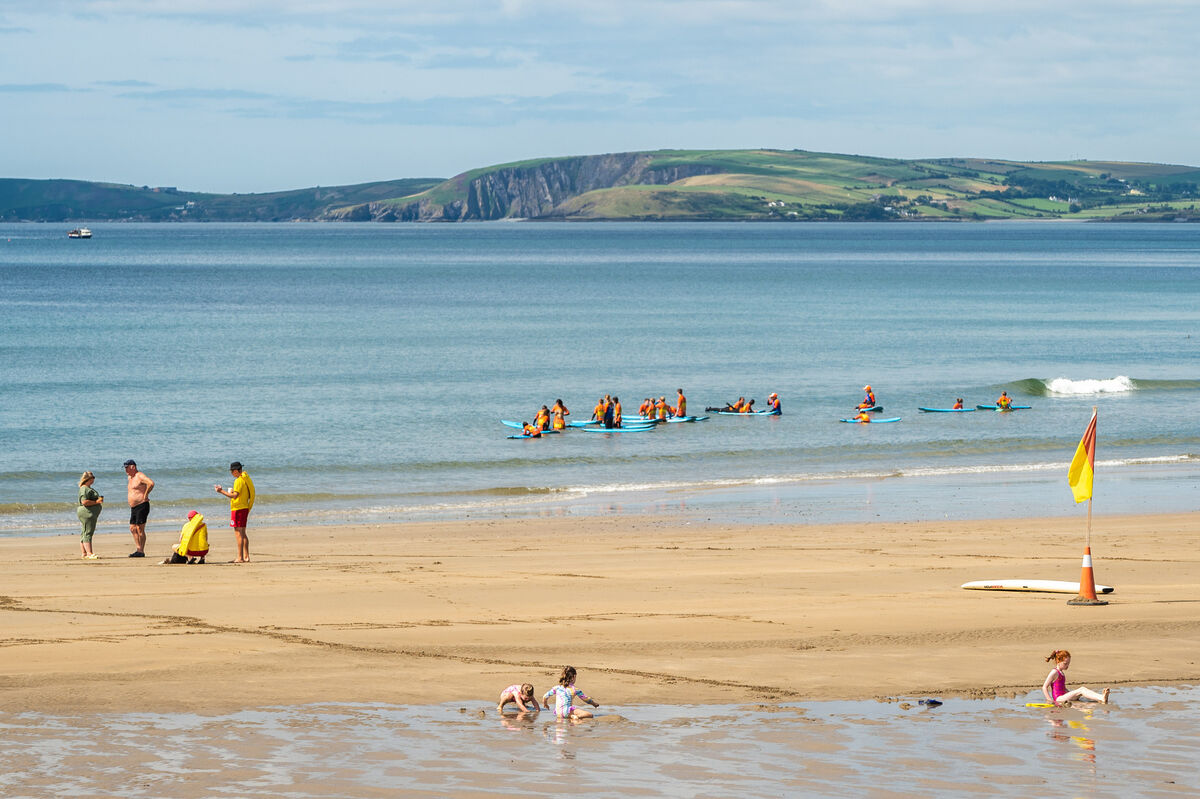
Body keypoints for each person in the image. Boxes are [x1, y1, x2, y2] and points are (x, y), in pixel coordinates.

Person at [215, 461, 255, 563]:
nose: (231, 473)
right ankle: (246, 556)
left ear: (236, 471)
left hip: (238, 509)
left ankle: (240, 557)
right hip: (244, 507)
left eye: (232, 471)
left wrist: (221, 491)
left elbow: (234, 496)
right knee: (243, 533)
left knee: (238, 533)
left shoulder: (238, 481)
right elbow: (240, 494)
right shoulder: (245, 479)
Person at [1042, 649, 1110, 706]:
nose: (1067, 666)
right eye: (1065, 663)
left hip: (1064, 696)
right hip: (1059, 698)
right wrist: (1050, 700)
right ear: (1058, 661)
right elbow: (1044, 687)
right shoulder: (1054, 672)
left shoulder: (1061, 673)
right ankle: (1101, 697)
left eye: (1068, 663)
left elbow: (1063, 688)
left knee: (1081, 694)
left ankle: (1100, 698)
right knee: (1081, 689)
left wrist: (1071, 693)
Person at [124, 459, 154, 558]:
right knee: (132, 528)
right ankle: (138, 549)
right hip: (134, 507)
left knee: (140, 528)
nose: (125, 470)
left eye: (127, 467)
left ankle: (141, 551)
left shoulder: (140, 476)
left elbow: (151, 483)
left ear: (133, 467)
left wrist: (145, 495)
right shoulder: (130, 477)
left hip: (142, 504)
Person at [77, 471, 103, 559]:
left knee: (84, 532)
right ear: (89, 479)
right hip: (87, 513)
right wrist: (96, 502)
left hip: (89, 512)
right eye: (93, 477)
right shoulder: (84, 489)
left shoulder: (87, 488)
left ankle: (84, 553)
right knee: (88, 532)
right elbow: (84, 501)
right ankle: (89, 553)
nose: (94, 479)